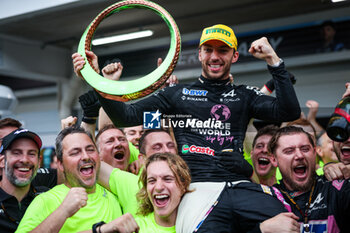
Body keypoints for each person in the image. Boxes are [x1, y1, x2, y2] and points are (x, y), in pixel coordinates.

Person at [73, 24, 300, 232]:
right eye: (208, 49)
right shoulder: (177, 94)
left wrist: (273, 60)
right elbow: (127, 116)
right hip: (197, 190)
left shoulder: (245, 95)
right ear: (200, 54)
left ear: (235, 55)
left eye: (222, 50)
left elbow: (288, 111)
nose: (215, 56)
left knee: (292, 224)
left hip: (240, 185)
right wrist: (97, 81)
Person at [16, 126, 139, 232]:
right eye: (75, 152)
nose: (86, 156)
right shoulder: (46, 200)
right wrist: (63, 211)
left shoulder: (114, 193)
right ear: (60, 164)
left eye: (90, 150)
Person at [268, 126, 350, 232]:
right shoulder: (268, 198)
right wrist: (261, 229)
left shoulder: (336, 188)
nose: (299, 155)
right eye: (289, 151)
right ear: (274, 159)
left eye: (305, 149)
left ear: (314, 152)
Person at [0, 128, 49, 232]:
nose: (25, 160)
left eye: (31, 154)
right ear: (2, 161)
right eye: (17, 153)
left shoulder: (48, 197)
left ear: (39, 162)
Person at [135, 152, 191, 232]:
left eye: (167, 179)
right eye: (152, 180)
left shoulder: (197, 226)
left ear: (183, 186)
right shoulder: (136, 228)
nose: (158, 187)